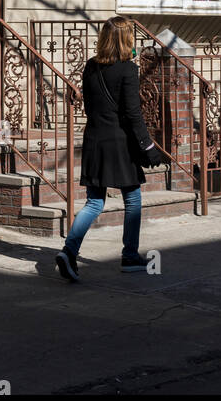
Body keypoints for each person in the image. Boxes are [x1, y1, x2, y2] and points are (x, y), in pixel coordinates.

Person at [55, 16, 160, 281]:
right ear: (126, 40)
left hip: (94, 139)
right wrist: (148, 146)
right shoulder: (128, 70)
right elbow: (133, 114)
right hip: (119, 143)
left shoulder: (90, 66)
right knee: (133, 198)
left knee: (94, 201)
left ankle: (68, 252)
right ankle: (130, 256)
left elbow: (90, 106)